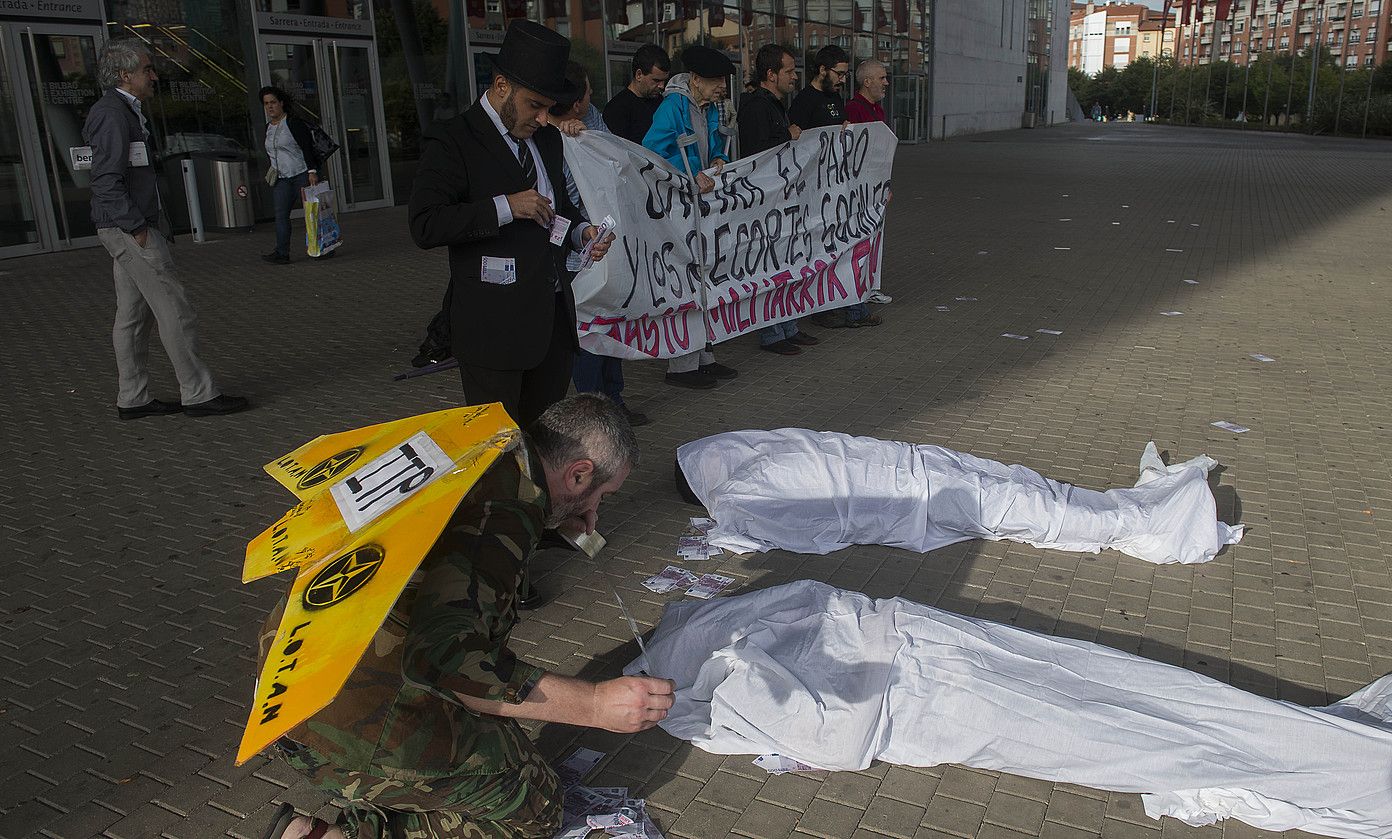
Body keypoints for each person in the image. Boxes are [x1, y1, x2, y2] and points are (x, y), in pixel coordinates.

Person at [258, 393, 675, 839]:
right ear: (578, 473)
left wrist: (552, 518)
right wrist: (594, 705)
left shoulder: (483, 452)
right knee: (534, 806)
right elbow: (448, 661)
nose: (596, 512)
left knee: (496, 730)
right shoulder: (502, 517)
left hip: (289, 689)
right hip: (346, 729)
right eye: (602, 495)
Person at [408, 21, 614, 431]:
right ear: (501, 85)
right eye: (534, 105)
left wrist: (582, 232)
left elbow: (559, 206)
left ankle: (547, 498)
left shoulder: (547, 140)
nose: (542, 117)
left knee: (545, 439)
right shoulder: (454, 140)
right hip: (493, 330)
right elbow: (425, 224)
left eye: (548, 107)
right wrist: (505, 207)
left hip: (551, 320)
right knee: (501, 447)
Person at [84, 40, 249, 420]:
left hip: (126, 226)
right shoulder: (111, 113)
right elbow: (106, 179)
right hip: (129, 228)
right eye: (147, 68)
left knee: (132, 314)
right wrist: (138, 228)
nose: (154, 75)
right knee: (175, 308)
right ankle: (198, 394)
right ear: (125, 75)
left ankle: (133, 397)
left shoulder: (123, 110)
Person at [553, 62, 651, 427]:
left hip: (606, 237)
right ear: (575, 102)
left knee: (612, 317)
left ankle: (615, 398)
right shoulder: (547, 138)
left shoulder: (591, 119)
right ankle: (593, 408)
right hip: (574, 246)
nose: (594, 99)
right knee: (588, 327)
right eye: (589, 93)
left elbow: (614, 156)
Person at [643, 45, 739, 390]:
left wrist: (715, 158)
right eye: (715, 81)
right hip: (678, 205)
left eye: (723, 82)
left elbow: (712, 142)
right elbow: (652, 151)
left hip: (700, 204)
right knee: (684, 278)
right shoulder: (673, 107)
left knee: (705, 278)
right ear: (695, 80)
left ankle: (704, 355)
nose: (721, 88)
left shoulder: (708, 107)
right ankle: (682, 365)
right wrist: (689, 176)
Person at [738, 43, 819, 358]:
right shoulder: (757, 107)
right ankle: (772, 332)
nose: (794, 76)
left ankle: (788, 326)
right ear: (770, 74)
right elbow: (758, 151)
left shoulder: (773, 104)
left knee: (788, 262)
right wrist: (788, 135)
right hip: (765, 202)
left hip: (781, 198)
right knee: (771, 265)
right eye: (788, 71)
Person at [844, 60, 892, 307]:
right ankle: (857, 288)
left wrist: (886, 184)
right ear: (867, 81)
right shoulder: (854, 109)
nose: (886, 83)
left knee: (876, 237)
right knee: (861, 237)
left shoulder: (877, 110)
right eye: (882, 78)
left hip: (876, 186)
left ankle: (871, 285)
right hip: (861, 188)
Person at [259, 86, 325, 265]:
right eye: (266, 104)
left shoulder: (293, 123)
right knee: (281, 216)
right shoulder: (268, 128)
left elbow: (307, 148)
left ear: (281, 103)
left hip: (301, 174)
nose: (270, 107)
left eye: (273, 102)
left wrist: (312, 172)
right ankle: (282, 253)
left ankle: (323, 246)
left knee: (312, 213)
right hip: (281, 178)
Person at [602, 44, 670, 145]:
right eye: (656, 80)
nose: (661, 86)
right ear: (639, 75)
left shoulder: (663, 102)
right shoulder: (617, 109)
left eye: (664, 81)